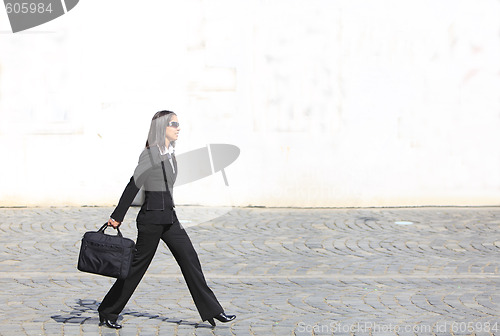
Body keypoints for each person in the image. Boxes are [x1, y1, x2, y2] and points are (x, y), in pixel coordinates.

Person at [98, 110, 236, 329]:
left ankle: (213, 310)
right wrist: (117, 216)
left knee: (190, 260)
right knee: (136, 268)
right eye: (174, 124)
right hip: (151, 221)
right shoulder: (151, 153)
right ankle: (108, 311)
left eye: (178, 124)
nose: (178, 128)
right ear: (162, 128)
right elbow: (133, 184)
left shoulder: (169, 152)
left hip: (170, 220)